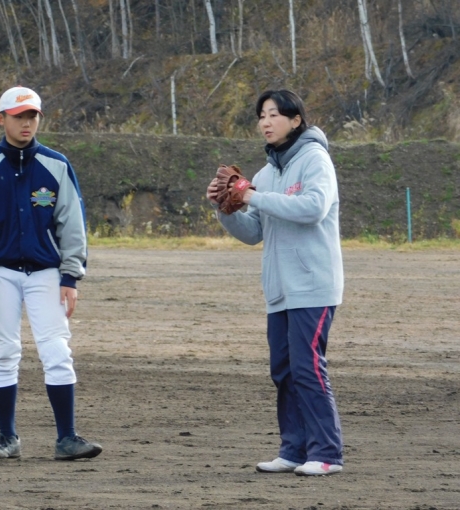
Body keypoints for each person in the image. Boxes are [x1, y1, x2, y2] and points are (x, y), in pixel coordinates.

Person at [0, 86, 102, 461]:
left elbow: (72, 223)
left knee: (57, 350)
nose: (27, 123)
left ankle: (67, 438)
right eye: (19, 116)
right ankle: (7, 438)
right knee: (3, 351)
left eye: (33, 116)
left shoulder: (56, 165)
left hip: (46, 272)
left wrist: (71, 277)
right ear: (1, 119)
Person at [207, 89, 344, 476]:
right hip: (280, 290)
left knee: (308, 369)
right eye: (261, 116)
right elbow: (253, 232)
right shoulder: (266, 174)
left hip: (313, 285)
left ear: (296, 120)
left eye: (274, 114)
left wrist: (252, 196)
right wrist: (224, 208)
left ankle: (327, 453)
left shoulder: (315, 159)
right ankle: (294, 450)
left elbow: (313, 208)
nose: (265, 122)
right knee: (283, 371)